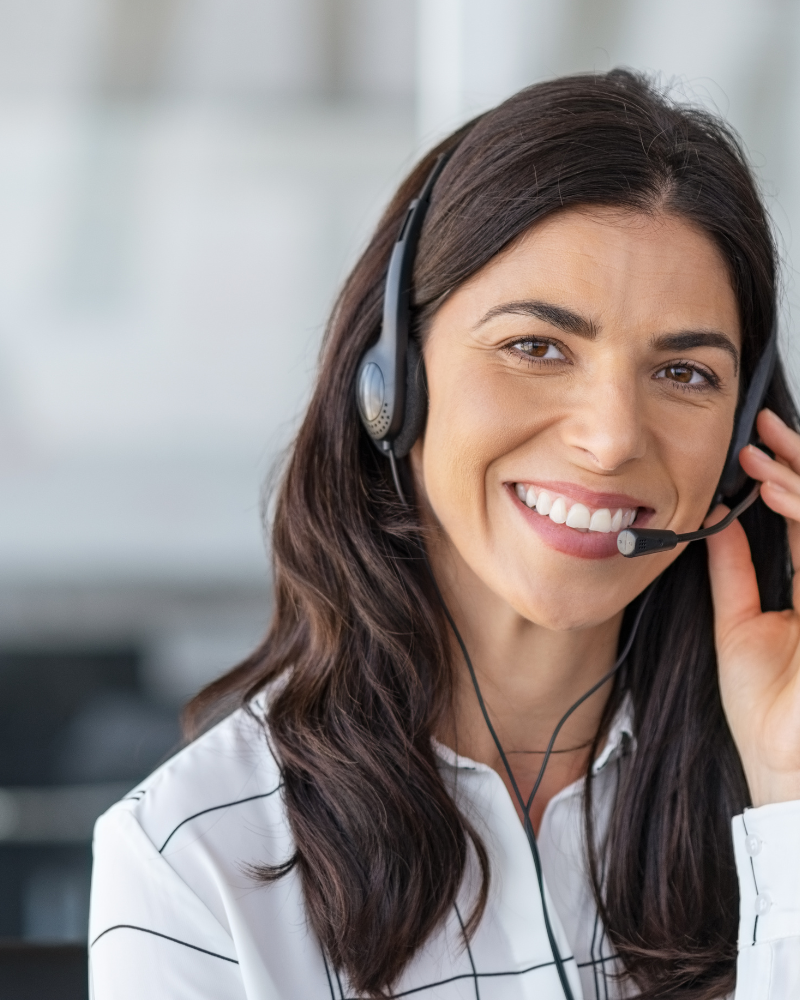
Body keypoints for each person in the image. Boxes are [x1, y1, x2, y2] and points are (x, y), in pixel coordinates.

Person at [88, 70, 800, 1000]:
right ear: (393, 382)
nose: (612, 438)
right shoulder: (195, 862)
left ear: (742, 441)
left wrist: (788, 792)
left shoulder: (776, 784)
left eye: (684, 373)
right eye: (536, 347)